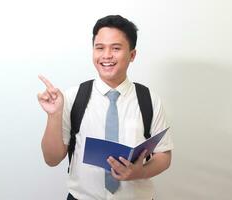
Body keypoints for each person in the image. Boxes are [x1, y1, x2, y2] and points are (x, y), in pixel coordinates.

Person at [37, 15, 173, 200]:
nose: (106, 55)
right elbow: (51, 159)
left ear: (132, 55)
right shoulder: (72, 97)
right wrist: (53, 115)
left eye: (116, 48)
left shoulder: (149, 99)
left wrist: (138, 172)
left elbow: (163, 156)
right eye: (99, 48)